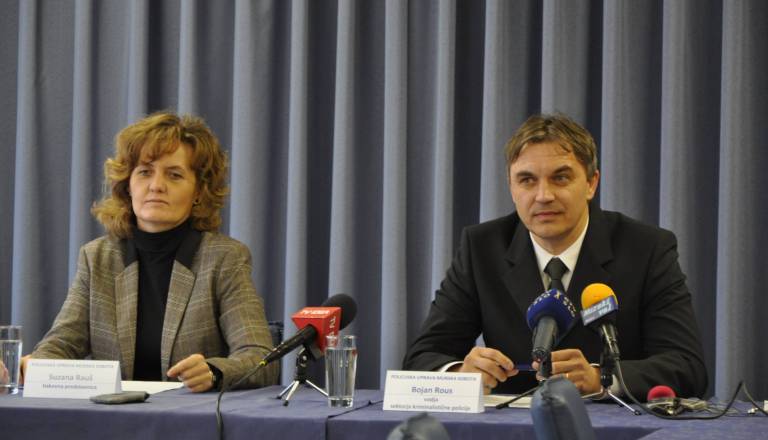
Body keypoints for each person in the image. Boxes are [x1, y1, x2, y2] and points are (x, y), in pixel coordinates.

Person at [402, 113, 707, 400]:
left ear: (591, 183)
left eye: (560, 178)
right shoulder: (481, 248)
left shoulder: (646, 248)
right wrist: (460, 374)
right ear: (511, 187)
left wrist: (600, 379)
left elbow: (687, 366)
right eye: (527, 180)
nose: (543, 196)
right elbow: (422, 356)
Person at [20, 111, 278, 392]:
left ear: (198, 192)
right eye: (144, 172)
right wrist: (32, 367)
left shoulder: (224, 258)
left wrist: (215, 371)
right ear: (128, 185)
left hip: (189, 415)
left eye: (174, 175)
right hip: (114, 415)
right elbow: (62, 343)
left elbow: (260, 357)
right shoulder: (97, 258)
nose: (156, 186)